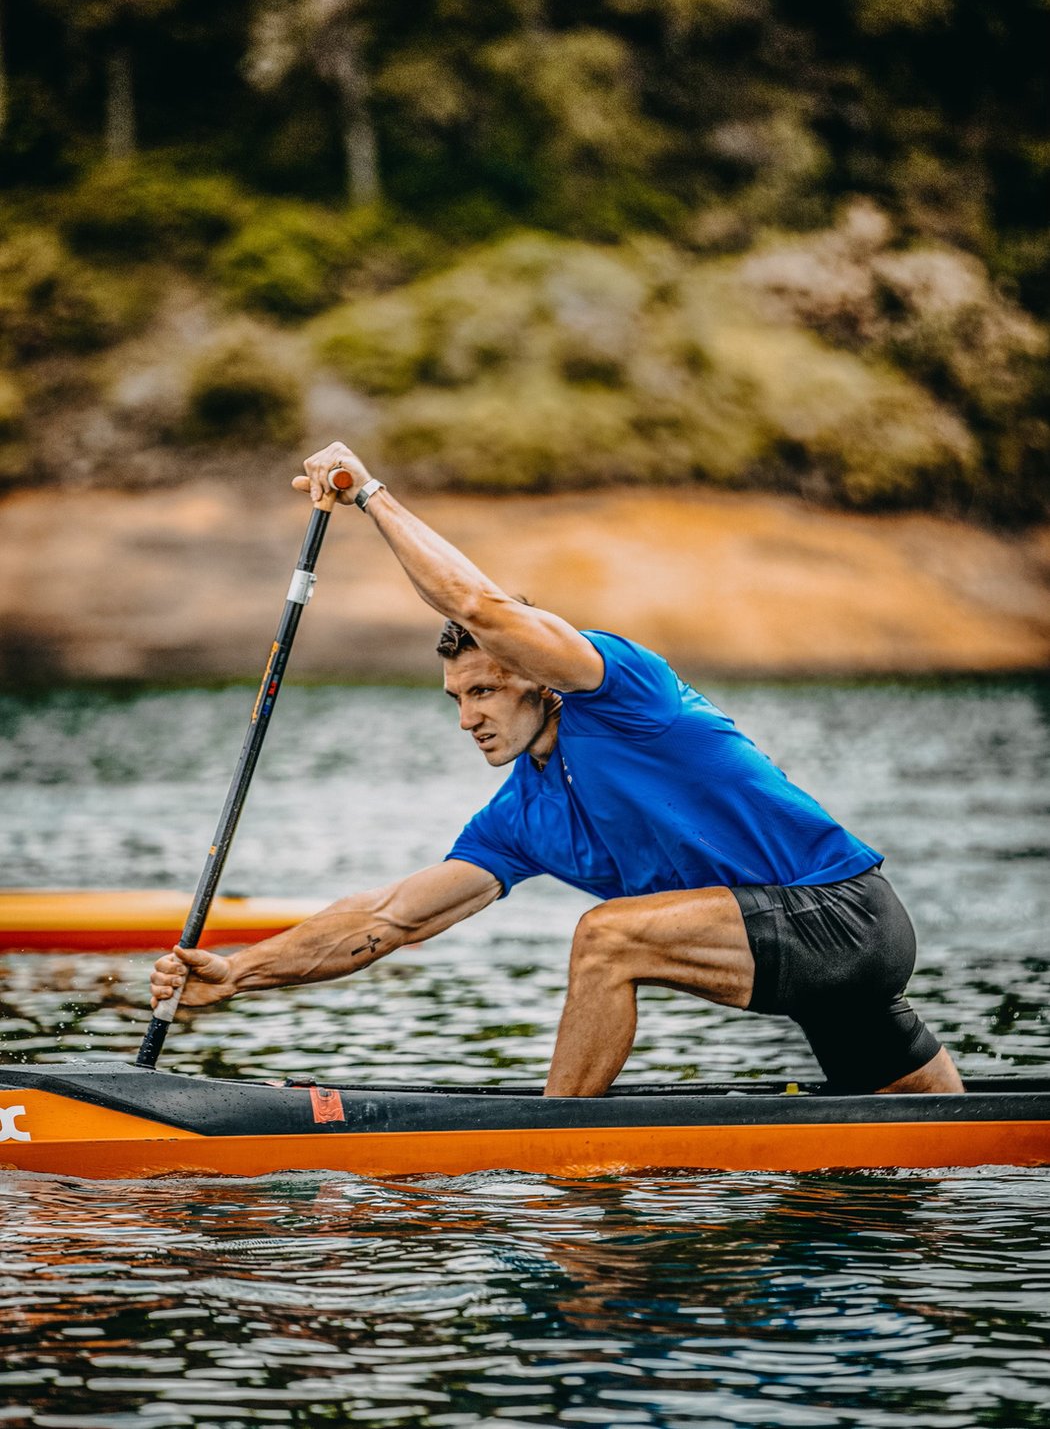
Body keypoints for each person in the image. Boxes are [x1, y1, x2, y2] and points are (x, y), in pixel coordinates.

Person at [150, 442, 963, 1097]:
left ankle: (558, 1146)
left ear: (537, 678)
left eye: (484, 690)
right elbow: (390, 918)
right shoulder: (520, 815)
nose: (468, 715)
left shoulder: (623, 691)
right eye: (454, 698)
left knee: (605, 938)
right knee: (935, 1149)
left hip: (846, 918)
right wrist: (239, 969)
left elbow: (479, 607)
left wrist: (369, 495)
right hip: (819, 973)